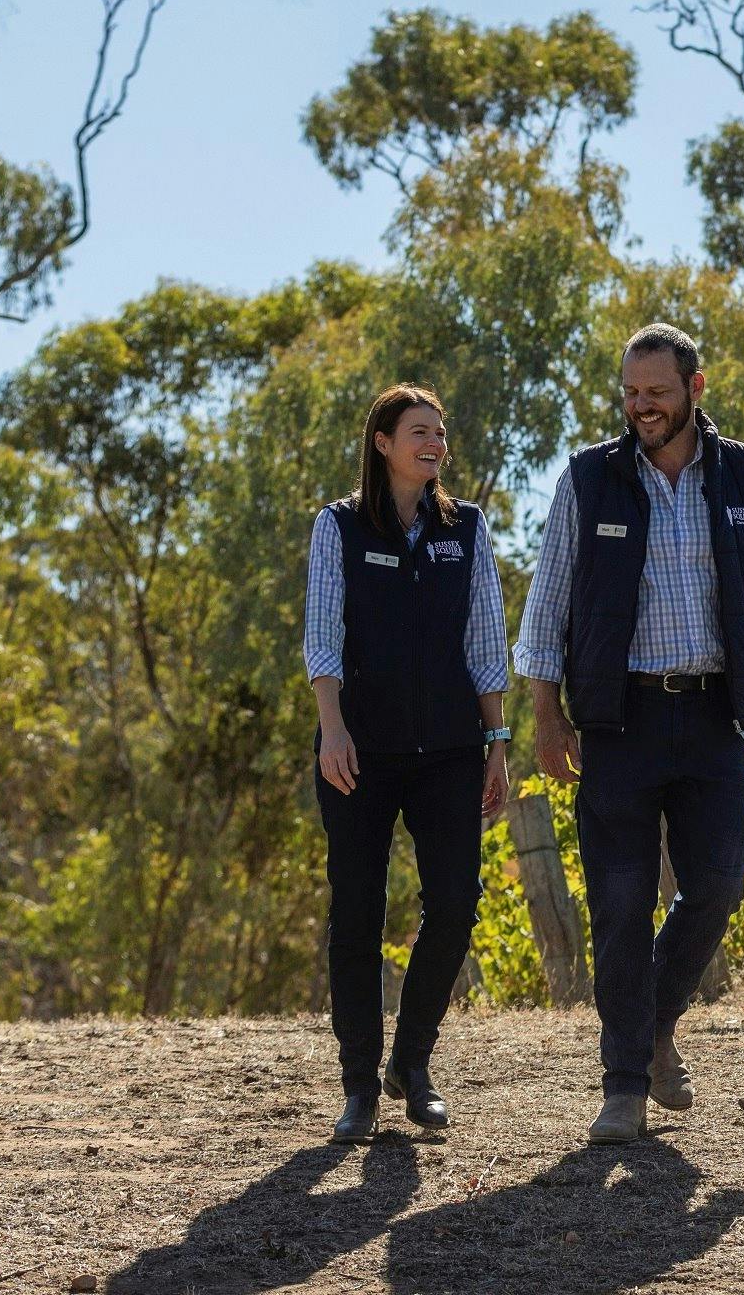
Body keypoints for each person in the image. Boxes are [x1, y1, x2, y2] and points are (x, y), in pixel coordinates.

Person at [514, 323, 744, 1144]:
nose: (640, 408)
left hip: (711, 717)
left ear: (695, 389)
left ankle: (653, 1025)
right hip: (615, 722)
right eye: (629, 394)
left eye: (655, 394)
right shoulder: (588, 479)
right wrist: (545, 715)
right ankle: (623, 1084)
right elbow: (546, 605)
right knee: (620, 906)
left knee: (720, 886)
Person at [305, 384, 510, 1142]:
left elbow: (486, 642)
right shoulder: (339, 526)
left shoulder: (468, 529)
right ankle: (359, 1085)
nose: (435, 443)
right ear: (383, 442)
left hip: (452, 752)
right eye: (419, 431)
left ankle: (411, 1065)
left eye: (441, 434)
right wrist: (332, 728)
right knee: (355, 915)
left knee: (455, 905)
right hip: (358, 750)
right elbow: (323, 634)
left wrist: (497, 745)